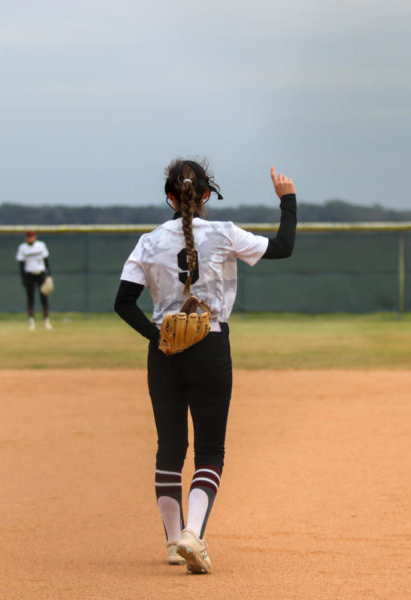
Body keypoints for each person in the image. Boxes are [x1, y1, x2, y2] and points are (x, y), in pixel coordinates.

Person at [114, 158, 297, 574]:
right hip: (210, 344)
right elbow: (283, 248)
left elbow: (122, 303)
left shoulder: (148, 241)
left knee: (169, 450)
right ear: (207, 195)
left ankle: (173, 542)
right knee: (210, 451)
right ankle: (193, 534)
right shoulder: (224, 233)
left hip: (165, 353)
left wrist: (157, 336)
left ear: (169, 197)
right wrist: (288, 202)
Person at [16, 231, 53, 330]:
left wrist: (49, 276)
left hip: (40, 274)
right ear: (26, 238)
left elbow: (46, 261)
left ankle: (47, 321)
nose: (30, 239)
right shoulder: (22, 248)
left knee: (43, 298)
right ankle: (31, 322)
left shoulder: (41, 245)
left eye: (32, 237)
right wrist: (23, 278)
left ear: (35, 237)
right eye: (28, 237)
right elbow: (21, 265)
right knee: (30, 298)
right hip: (29, 275)